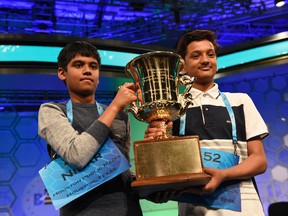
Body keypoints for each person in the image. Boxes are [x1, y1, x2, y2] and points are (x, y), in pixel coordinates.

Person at [144, 30, 268, 215]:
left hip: (246, 208)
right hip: (194, 208)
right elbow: (163, 166)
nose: (205, 60)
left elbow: (259, 161)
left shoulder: (241, 101)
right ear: (182, 67)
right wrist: (153, 144)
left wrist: (223, 175)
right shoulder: (171, 109)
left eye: (210, 54)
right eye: (196, 55)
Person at [38, 41, 143, 216]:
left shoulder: (121, 116)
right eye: (78, 65)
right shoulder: (52, 111)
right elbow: (77, 155)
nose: (88, 70)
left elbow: (123, 170)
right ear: (62, 73)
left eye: (93, 66)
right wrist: (115, 106)